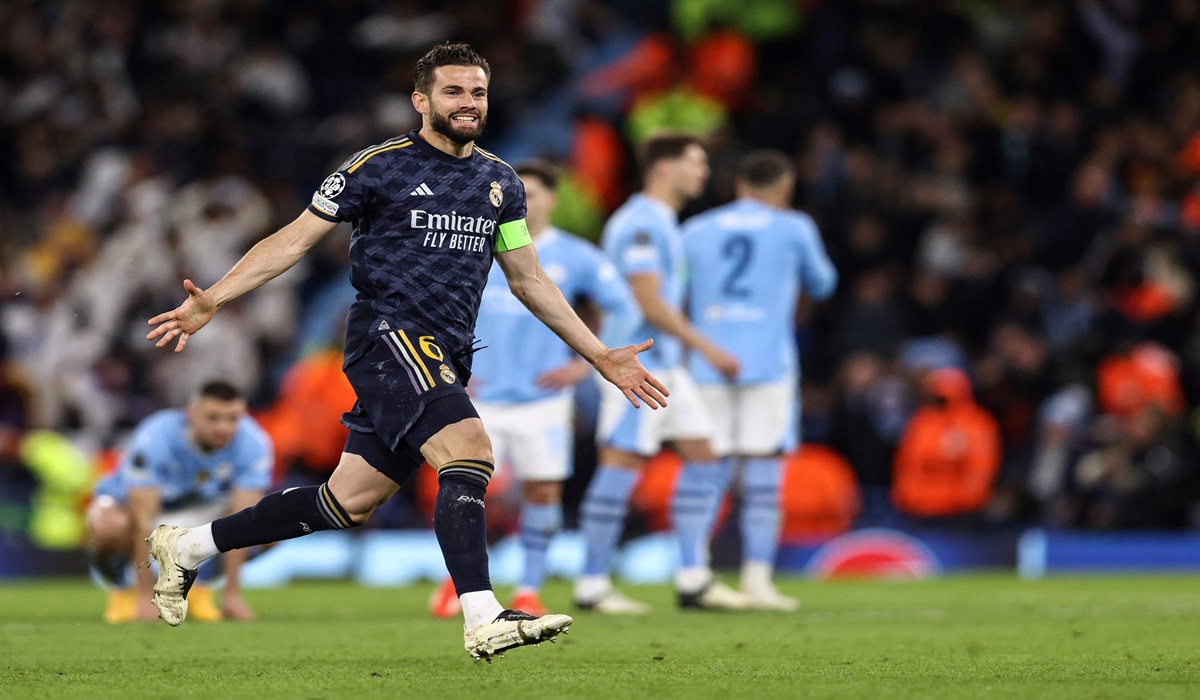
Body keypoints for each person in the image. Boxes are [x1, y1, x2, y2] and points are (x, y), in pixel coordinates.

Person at [142, 42, 667, 661]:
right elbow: (294, 240)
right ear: (422, 100)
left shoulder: (501, 184)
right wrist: (216, 299)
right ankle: (482, 615)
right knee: (470, 450)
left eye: (477, 92)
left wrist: (600, 355)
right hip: (387, 336)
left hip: (444, 350)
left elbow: (529, 280)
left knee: (348, 501)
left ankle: (188, 546)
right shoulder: (377, 166)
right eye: (454, 92)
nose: (468, 103)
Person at [429, 160, 641, 618]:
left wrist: (585, 365)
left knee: (543, 492)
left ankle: (528, 589)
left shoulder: (576, 255)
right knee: (466, 490)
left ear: (551, 199)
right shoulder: (470, 244)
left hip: (543, 398)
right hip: (476, 394)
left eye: (535, 192)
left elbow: (622, 306)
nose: (524, 199)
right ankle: (455, 586)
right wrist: (447, 362)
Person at [574, 133, 746, 614]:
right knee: (620, 466)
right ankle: (591, 584)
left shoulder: (665, 222)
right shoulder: (641, 223)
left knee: (705, 456)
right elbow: (648, 299)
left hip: (667, 365)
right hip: (634, 365)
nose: (704, 173)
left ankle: (694, 577)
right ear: (664, 168)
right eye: (696, 162)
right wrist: (708, 348)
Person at [681, 149, 838, 610]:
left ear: (739, 186)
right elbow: (824, 283)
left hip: (708, 364)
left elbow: (674, 293)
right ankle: (757, 581)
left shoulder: (696, 229)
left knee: (704, 471)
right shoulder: (795, 227)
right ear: (784, 189)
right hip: (768, 365)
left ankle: (695, 574)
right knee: (764, 477)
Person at [85, 381, 271, 623]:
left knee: (269, 524)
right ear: (191, 415)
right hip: (130, 506)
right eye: (213, 417)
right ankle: (124, 589)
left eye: (232, 418)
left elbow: (245, 516)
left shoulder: (252, 441)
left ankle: (195, 585)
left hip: (196, 508)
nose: (223, 427)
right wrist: (145, 597)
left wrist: (232, 595)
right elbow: (142, 519)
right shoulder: (156, 437)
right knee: (110, 527)